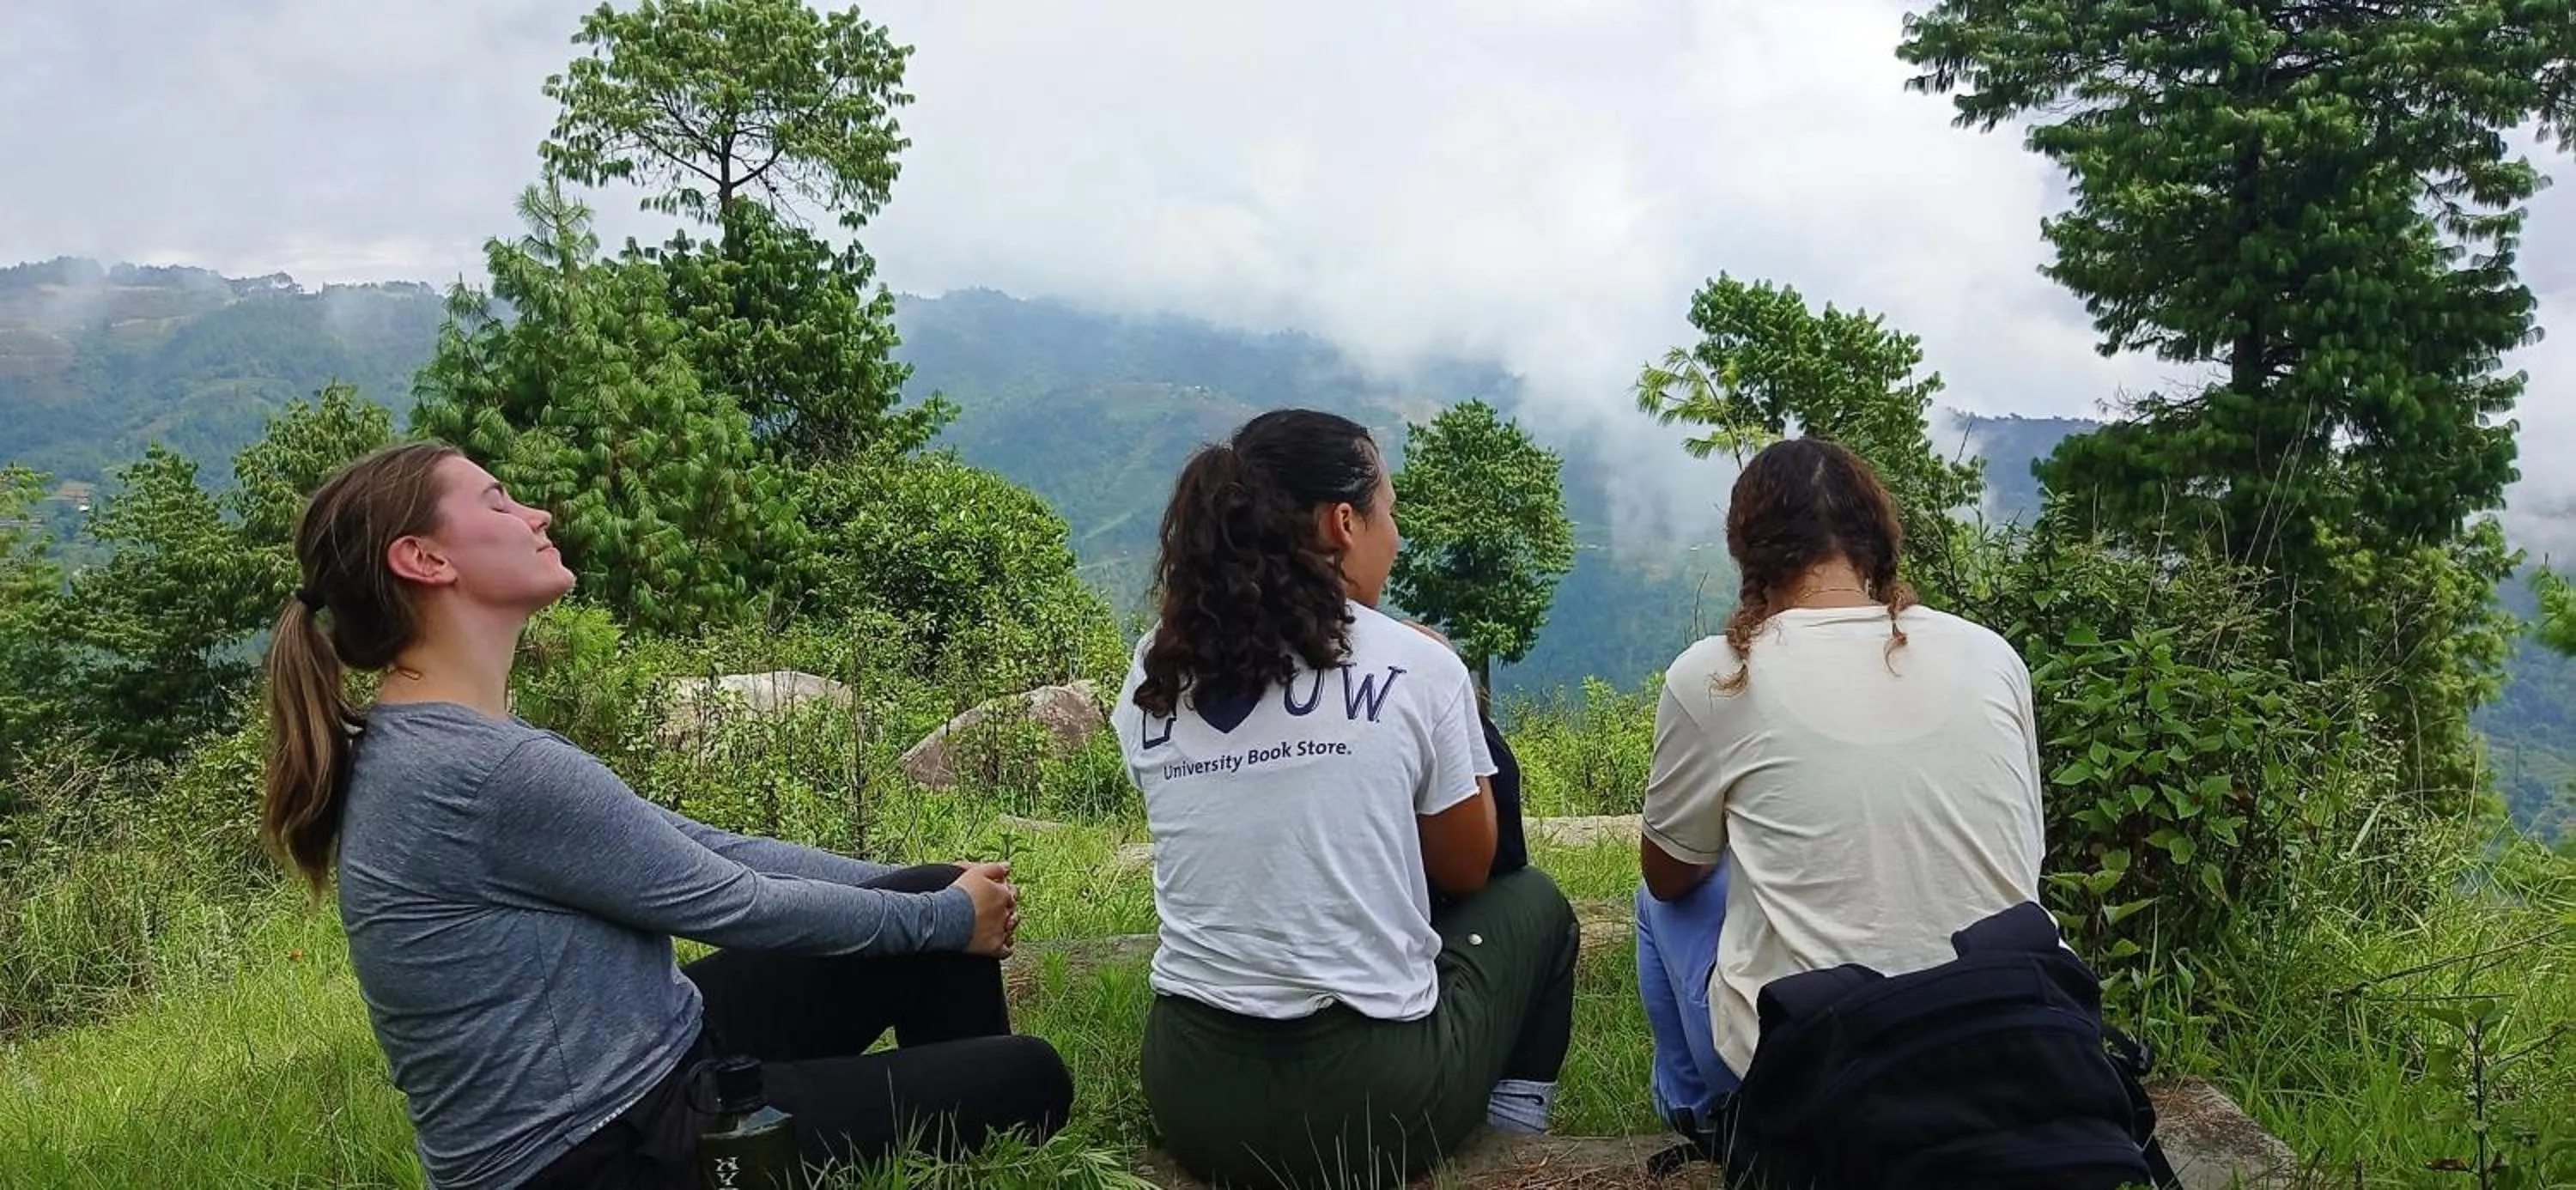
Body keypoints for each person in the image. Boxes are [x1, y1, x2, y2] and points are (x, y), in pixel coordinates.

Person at [257, 442, 1072, 1190]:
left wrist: (935, 897)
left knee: (931, 904)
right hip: (599, 1151)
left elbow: (697, 845)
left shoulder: (444, 738)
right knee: (1030, 1077)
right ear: (425, 559)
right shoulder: (485, 769)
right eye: (499, 502)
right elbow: (735, 902)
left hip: (649, 1052)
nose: (535, 516)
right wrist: (937, 919)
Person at [1110, 410, 1581, 1189]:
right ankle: (1513, 1142)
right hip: (1370, 1105)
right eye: (1388, 511)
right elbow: (1471, 870)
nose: (1394, 535)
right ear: (1343, 522)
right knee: (1534, 904)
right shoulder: (1412, 665)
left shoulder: (1155, 670)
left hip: (1193, 1093)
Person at [1633, 437, 2045, 1150]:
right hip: (2010, 1046)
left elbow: (1669, 878)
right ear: (1878, 541)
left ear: (1747, 550)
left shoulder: (1716, 672)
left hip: (1818, 1075)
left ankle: (1704, 1117)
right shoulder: (1990, 654)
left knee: (1659, 896)